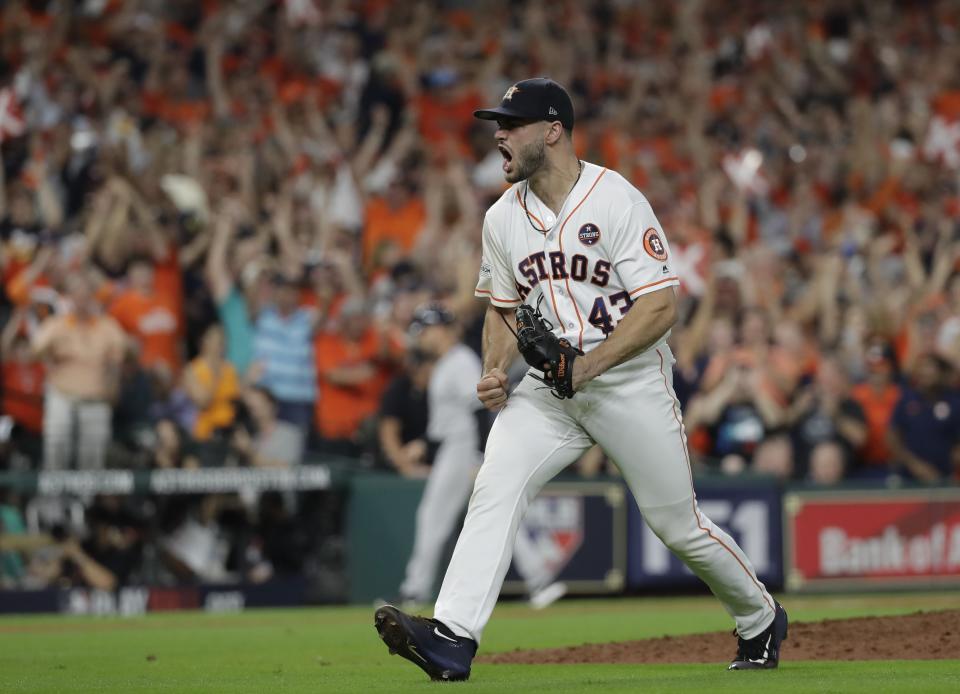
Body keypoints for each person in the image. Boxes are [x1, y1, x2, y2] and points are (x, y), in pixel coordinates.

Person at [374, 78, 787, 681]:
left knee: (678, 525)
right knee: (497, 481)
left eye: (511, 125)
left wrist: (588, 366)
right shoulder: (501, 218)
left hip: (629, 382)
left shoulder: (615, 199)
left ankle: (759, 617)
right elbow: (501, 306)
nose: (499, 135)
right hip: (549, 391)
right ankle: (452, 636)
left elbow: (661, 307)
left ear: (552, 130)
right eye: (498, 124)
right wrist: (494, 370)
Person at [32, 271, 128, 470]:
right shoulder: (57, 324)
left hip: (96, 397)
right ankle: (54, 496)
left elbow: (123, 354)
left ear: (92, 298)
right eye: (76, 295)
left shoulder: (106, 325)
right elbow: (36, 351)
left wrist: (113, 383)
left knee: (93, 453)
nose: (81, 301)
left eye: (85, 296)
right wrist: (54, 349)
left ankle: (86, 500)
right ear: (69, 299)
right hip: (62, 394)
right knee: (57, 443)